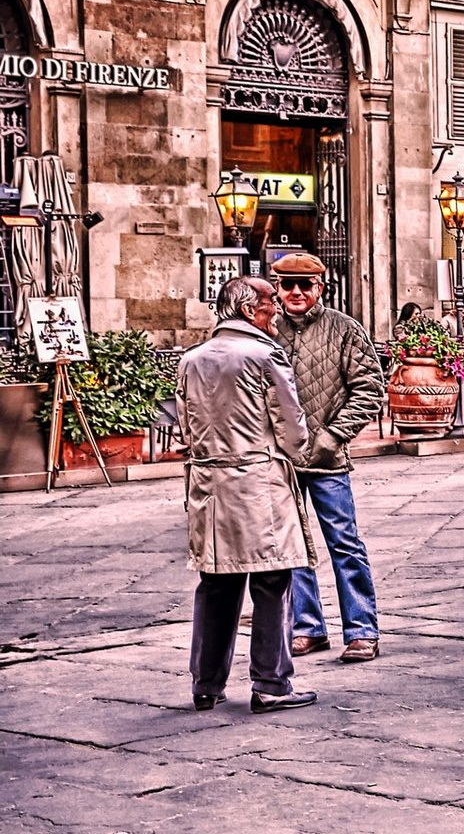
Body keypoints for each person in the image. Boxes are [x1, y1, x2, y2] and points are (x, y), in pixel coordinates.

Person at [179, 276, 316, 713]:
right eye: (270, 301)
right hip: (257, 481)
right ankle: (272, 684)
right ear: (247, 310)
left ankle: (206, 684)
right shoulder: (263, 354)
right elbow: (290, 424)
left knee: (216, 583)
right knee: (272, 581)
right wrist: (300, 454)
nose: (276, 308)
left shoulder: (191, 359)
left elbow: (186, 425)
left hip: (208, 484)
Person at [270, 253, 386, 662]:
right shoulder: (265, 331)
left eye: (306, 284)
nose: (296, 292)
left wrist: (333, 435)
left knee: (344, 542)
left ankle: (362, 630)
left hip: (326, 457)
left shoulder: (344, 329)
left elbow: (370, 387)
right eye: (288, 285)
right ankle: (307, 628)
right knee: (291, 546)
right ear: (276, 287)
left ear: (321, 287)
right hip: (279, 459)